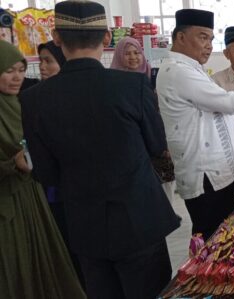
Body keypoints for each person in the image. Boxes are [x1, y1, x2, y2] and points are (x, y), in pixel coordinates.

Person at [20, 1, 180, 297]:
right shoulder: (133, 86)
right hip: (139, 220)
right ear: (107, 38)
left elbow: (47, 173)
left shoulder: (34, 100)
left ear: (56, 37)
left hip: (85, 224)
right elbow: (157, 146)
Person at [156, 9, 234, 240]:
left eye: (211, 39)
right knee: (211, 236)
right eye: (202, 37)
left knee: (225, 232)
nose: (208, 45)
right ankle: (200, 275)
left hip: (222, 171)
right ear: (180, 37)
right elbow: (228, 102)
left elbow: (214, 114)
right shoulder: (179, 72)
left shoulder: (194, 70)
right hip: (206, 175)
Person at [0, 39, 85, 299]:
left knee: (42, 263)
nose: (17, 77)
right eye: (9, 70)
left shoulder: (24, 104)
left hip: (34, 199)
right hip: (6, 207)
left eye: (21, 70)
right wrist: (10, 165)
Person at [110, 36, 176, 202]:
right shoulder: (113, 82)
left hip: (158, 139)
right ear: (119, 56)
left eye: (136, 52)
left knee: (164, 189)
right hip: (132, 144)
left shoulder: (153, 75)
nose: (133, 57)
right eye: (127, 54)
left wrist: (163, 142)